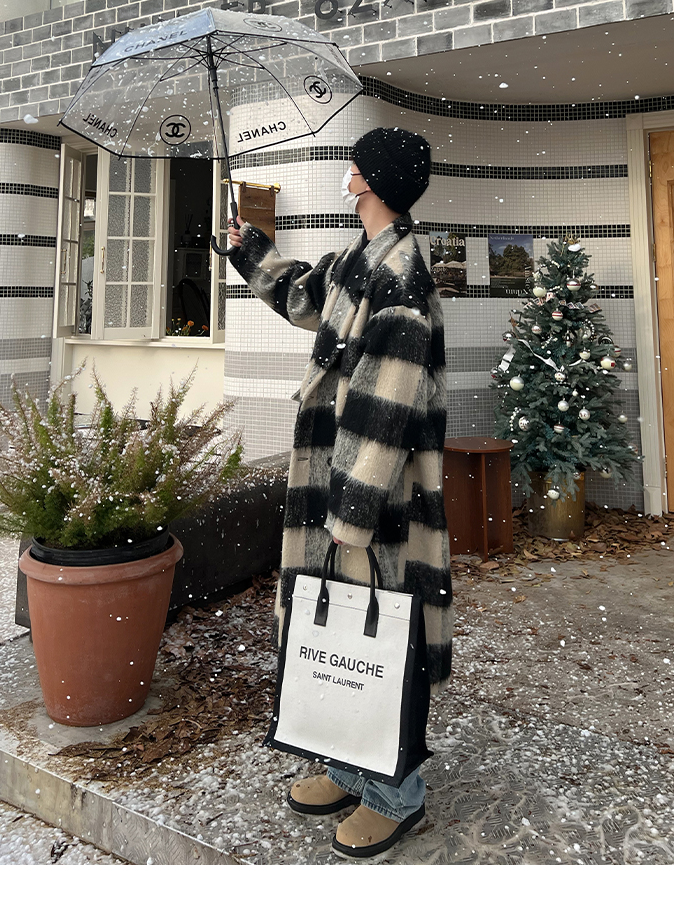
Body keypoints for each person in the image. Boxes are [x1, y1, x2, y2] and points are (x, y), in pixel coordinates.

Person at [226, 126, 453, 860]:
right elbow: (306, 297)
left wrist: (350, 514)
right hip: (342, 488)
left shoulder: (402, 277)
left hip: (377, 505)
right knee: (342, 638)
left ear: (373, 181)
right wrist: (249, 250)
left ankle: (395, 792)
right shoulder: (363, 257)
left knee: (384, 637)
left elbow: (387, 407)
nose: (346, 175)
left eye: (354, 166)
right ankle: (351, 765)